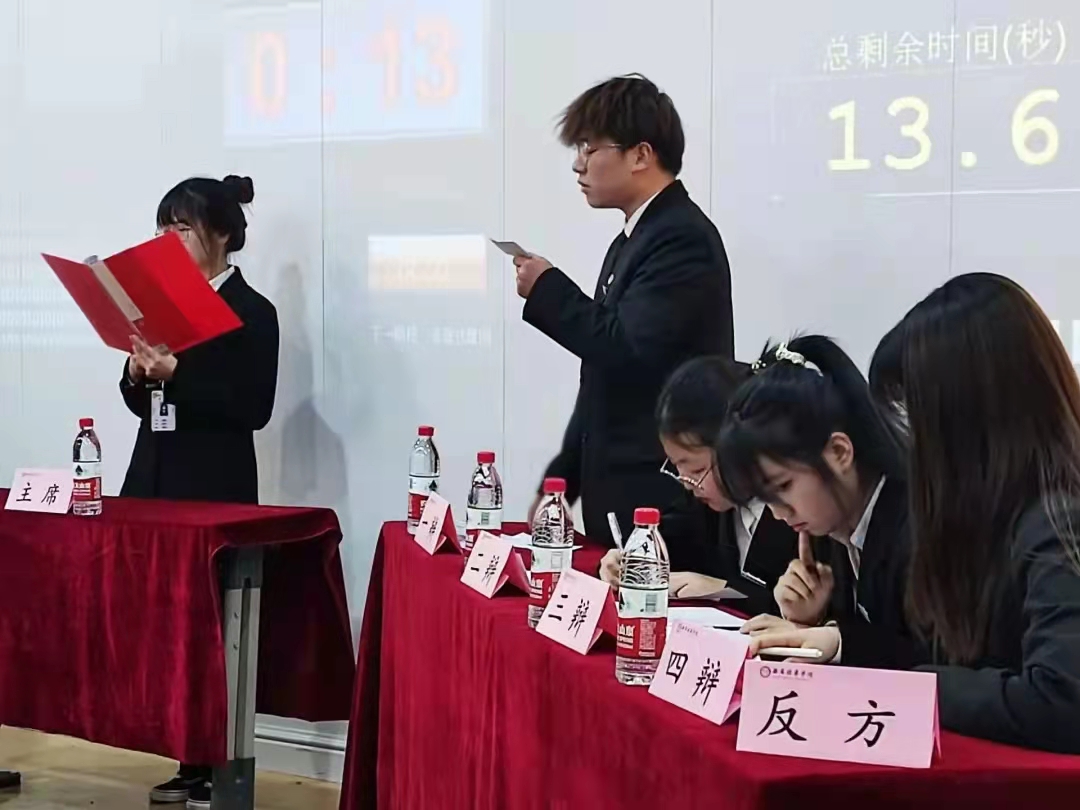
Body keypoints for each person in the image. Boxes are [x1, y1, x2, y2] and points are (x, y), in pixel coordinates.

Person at [513, 74, 733, 545]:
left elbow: (626, 349)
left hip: (658, 493)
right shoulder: (633, 239)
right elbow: (600, 373)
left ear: (640, 155)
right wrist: (561, 479)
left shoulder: (680, 238)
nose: (579, 164)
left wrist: (547, 289)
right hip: (616, 490)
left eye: (590, 148)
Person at [866, 273, 1080, 754]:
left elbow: (1061, 700)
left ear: (965, 416)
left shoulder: (1059, 520)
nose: (910, 442)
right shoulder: (990, 515)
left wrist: (917, 686)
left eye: (915, 415)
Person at [120, 175, 279, 808]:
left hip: (214, 485)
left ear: (222, 234)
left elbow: (252, 407)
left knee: (216, 629)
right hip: (156, 477)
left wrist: (179, 373)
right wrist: (138, 374)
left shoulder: (253, 310)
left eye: (182, 227)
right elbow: (140, 402)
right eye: (162, 227)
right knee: (167, 628)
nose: (169, 238)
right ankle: (187, 759)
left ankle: (220, 764)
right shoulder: (158, 305)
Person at [715, 336, 915, 668]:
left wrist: (840, 642)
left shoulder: (915, 526)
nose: (778, 513)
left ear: (839, 452)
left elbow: (946, 666)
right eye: (765, 499)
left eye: (784, 486)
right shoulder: (828, 524)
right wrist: (812, 620)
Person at [598, 356, 800, 616]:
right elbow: (672, 538)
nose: (687, 483)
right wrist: (631, 560)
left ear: (738, 448)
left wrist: (725, 590)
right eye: (676, 467)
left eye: (695, 470)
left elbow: (809, 609)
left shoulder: (800, 512)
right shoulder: (707, 502)